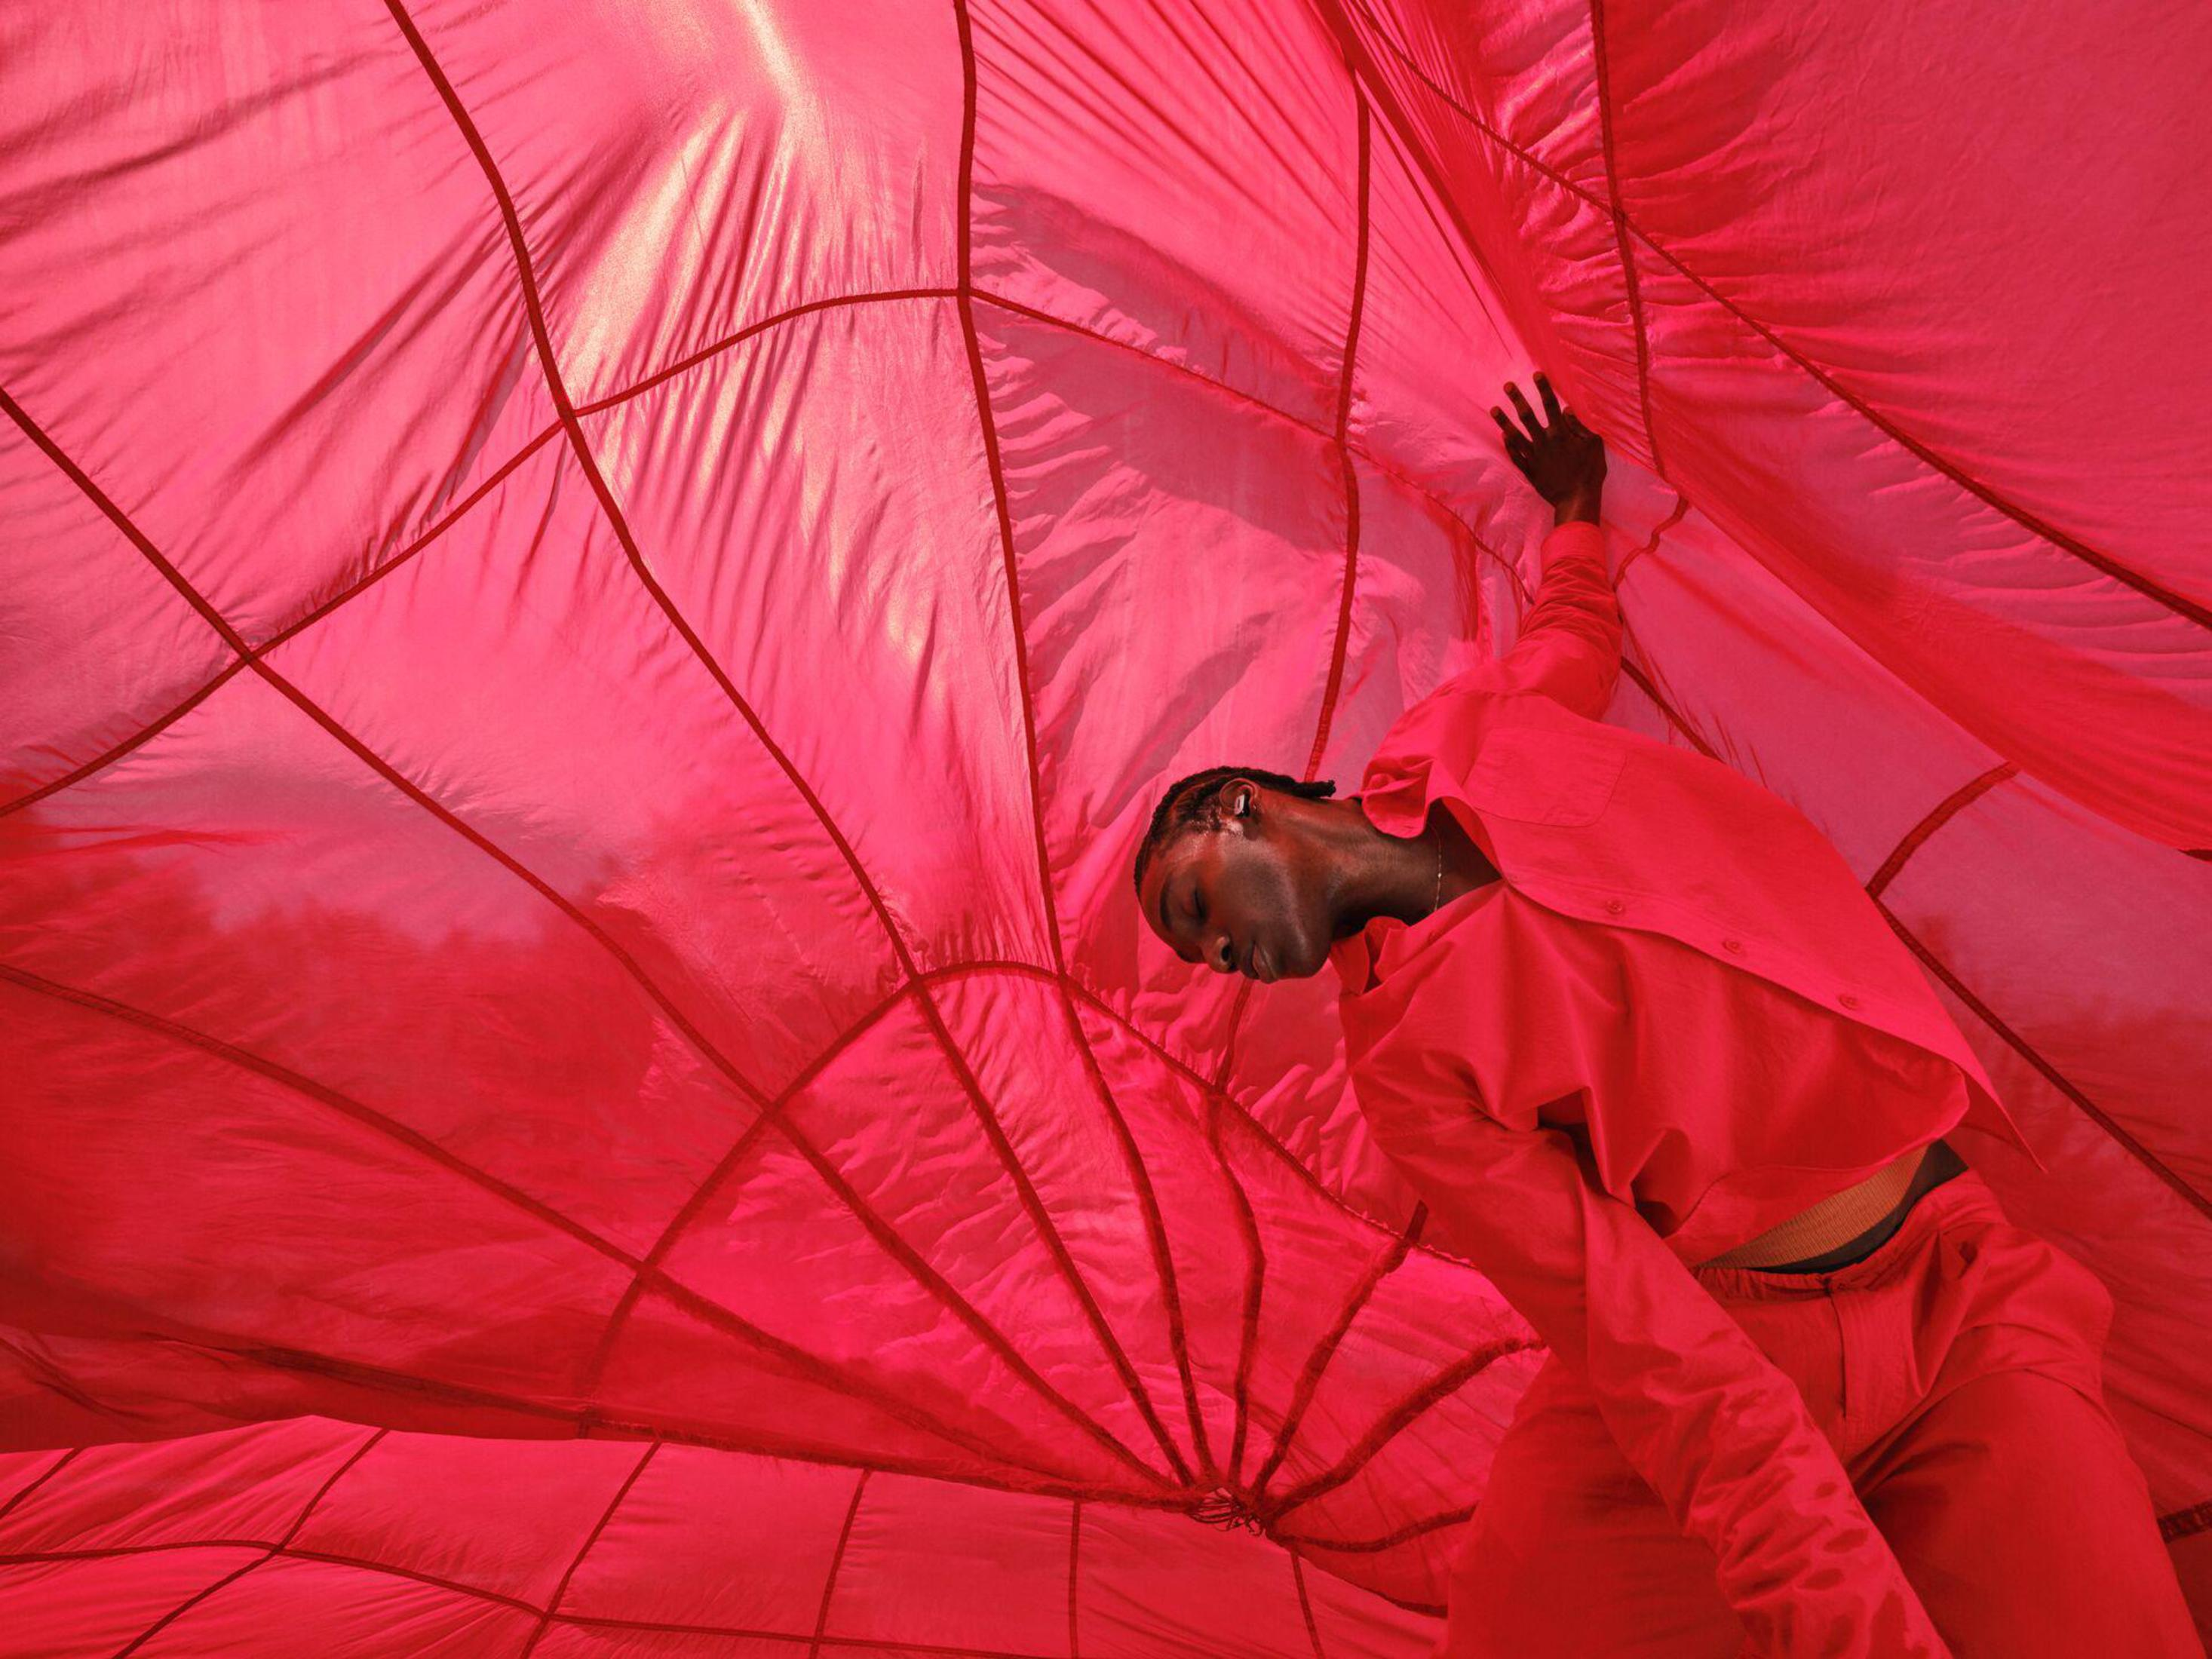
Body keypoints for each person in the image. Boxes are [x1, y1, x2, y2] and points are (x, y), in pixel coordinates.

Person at [1132, 379, 2200, 1657]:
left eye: (1193, 909)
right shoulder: (1404, 1073)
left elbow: (1570, 645)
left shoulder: (1463, 735)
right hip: (1742, 1347)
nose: (1214, 956)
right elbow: (1655, 1351)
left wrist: (1574, 516)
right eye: (1195, 952)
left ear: (1234, 810)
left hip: (1963, 1287)